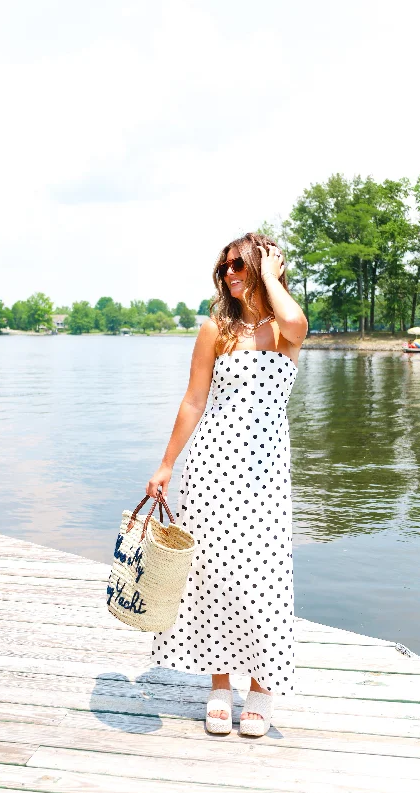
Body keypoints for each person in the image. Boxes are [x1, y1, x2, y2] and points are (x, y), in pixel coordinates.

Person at [147, 232, 308, 736]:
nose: (231, 275)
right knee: (213, 574)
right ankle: (219, 684)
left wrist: (268, 275)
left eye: (240, 265)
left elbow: (296, 322)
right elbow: (194, 400)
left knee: (262, 577)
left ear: (264, 266)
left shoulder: (284, 331)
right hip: (212, 468)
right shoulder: (215, 329)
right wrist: (167, 464)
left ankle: (261, 689)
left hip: (264, 476)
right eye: (226, 269)